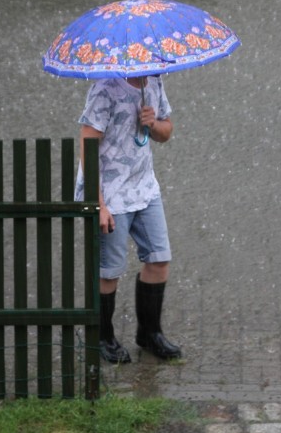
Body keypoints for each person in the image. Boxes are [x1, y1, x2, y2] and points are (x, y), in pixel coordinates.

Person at [76, 74, 182, 363]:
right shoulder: (104, 88)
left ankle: (149, 334)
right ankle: (103, 337)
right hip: (110, 192)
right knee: (109, 270)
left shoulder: (155, 82)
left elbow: (166, 131)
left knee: (159, 259)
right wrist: (98, 204)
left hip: (144, 187)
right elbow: (87, 143)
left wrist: (154, 123)